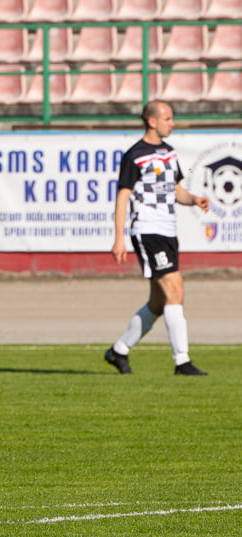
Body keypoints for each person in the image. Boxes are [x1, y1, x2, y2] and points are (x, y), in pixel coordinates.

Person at [104, 99, 209, 376]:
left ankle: (119, 351)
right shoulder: (134, 155)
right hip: (148, 231)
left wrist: (194, 199)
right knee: (176, 290)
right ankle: (182, 361)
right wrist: (119, 238)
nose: (172, 124)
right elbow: (122, 196)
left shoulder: (169, 153)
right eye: (168, 119)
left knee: (158, 303)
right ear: (152, 121)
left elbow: (176, 191)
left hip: (168, 230)